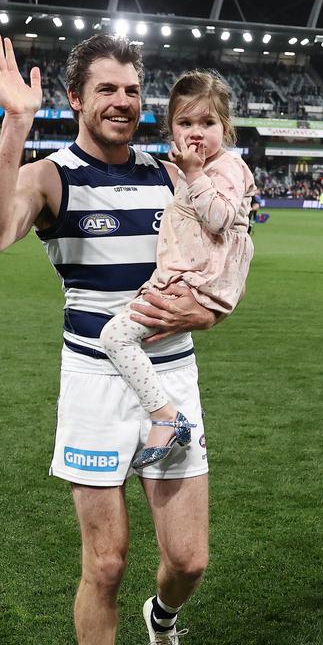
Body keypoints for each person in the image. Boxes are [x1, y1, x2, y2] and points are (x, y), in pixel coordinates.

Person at [0, 32, 217, 645]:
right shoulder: (52, 176)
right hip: (95, 382)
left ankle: (162, 619)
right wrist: (16, 122)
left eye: (132, 90)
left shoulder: (171, 177)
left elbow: (219, 269)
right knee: (105, 563)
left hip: (172, 377)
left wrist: (210, 311)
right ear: (77, 98)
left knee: (189, 559)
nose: (122, 101)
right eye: (107, 89)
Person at [100, 70, 255, 470]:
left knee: (114, 336)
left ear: (226, 127)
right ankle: (161, 416)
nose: (196, 133)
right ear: (171, 129)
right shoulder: (192, 170)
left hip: (200, 279)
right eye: (185, 123)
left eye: (208, 122)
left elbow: (220, 219)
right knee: (129, 331)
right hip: (186, 274)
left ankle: (166, 419)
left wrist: (195, 173)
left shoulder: (226, 168)